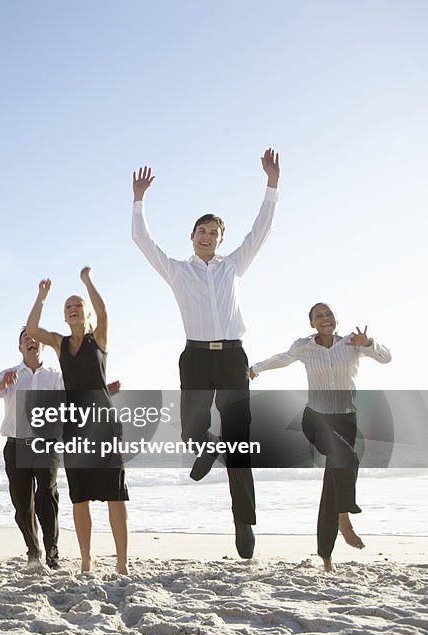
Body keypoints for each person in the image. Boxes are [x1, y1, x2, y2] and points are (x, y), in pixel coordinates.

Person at [131, 149, 280, 559]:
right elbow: (142, 241)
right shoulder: (178, 271)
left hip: (233, 358)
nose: (207, 236)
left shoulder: (234, 266)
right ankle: (206, 443)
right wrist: (139, 199)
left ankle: (244, 523)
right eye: (201, 230)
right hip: (195, 358)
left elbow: (261, 231)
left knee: (240, 444)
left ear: (220, 240)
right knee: (191, 429)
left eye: (214, 232)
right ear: (192, 236)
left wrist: (271, 184)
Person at [250, 303, 391, 571]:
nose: (325, 319)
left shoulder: (352, 343)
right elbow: (282, 358)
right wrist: (255, 368)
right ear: (311, 323)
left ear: (336, 319)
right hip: (316, 419)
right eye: (319, 316)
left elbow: (386, 358)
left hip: (347, 420)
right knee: (346, 457)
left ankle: (325, 556)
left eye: (329, 314)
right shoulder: (304, 346)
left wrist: (369, 342)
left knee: (333, 482)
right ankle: (345, 520)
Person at [26, 267, 129, 575]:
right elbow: (31, 327)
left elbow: (104, 309)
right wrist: (41, 297)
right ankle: (87, 558)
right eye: (68, 306)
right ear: (64, 315)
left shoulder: (99, 338)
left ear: (86, 314)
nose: (73, 309)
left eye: (78, 306)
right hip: (74, 425)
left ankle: (122, 562)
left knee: (115, 493)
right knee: (80, 495)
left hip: (104, 423)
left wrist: (88, 282)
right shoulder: (58, 343)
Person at [0, 328, 65, 570]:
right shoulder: (10, 374)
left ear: (43, 345)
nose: (30, 341)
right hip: (16, 446)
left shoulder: (56, 376)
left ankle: (52, 552)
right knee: (22, 504)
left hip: (46, 444)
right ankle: (33, 550)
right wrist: (0, 387)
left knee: (47, 495)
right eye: (25, 339)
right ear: (20, 348)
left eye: (34, 338)